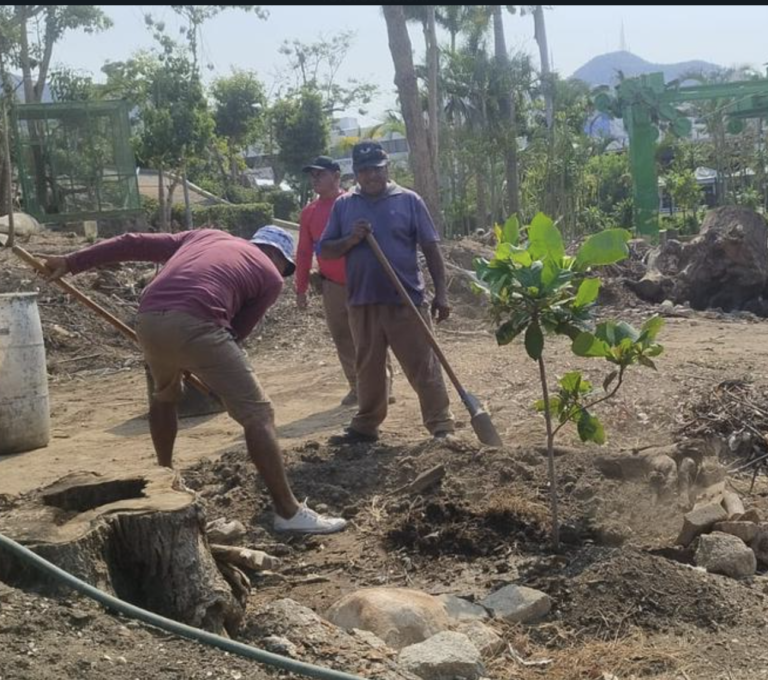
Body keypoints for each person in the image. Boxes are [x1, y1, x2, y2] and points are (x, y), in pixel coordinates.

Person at [44, 226, 347, 535]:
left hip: (148, 319)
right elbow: (236, 333)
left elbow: (131, 243)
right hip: (198, 322)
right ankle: (288, 512)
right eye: (285, 268)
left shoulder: (205, 236)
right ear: (279, 258)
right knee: (259, 414)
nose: (281, 273)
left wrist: (71, 262)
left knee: (165, 396)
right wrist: (210, 373)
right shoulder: (270, 275)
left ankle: (166, 478)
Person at [318, 140, 455, 444]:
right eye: (365, 171)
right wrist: (351, 240)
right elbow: (325, 250)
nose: (372, 177)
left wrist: (441, 294)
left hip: (405, 299)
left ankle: (441, 424)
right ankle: (366, 425)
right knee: (368, 367)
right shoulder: (345, 205)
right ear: (356, 173)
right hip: (362, 301)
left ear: (387, 168)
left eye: (377, 170)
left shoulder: (409, 200)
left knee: (422, 364)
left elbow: (431, 248)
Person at [295, 155, 393, 406]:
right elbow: (305, 250)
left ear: (336, 176)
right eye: (312, 176)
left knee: (370, 334)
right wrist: (301, 287)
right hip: (332, 284)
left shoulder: (353, 202)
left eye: (321, 174)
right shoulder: (309, 212)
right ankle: (356, 385)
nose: (315, 180)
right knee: (342, 335)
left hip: (362, 281)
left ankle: (383, 386)